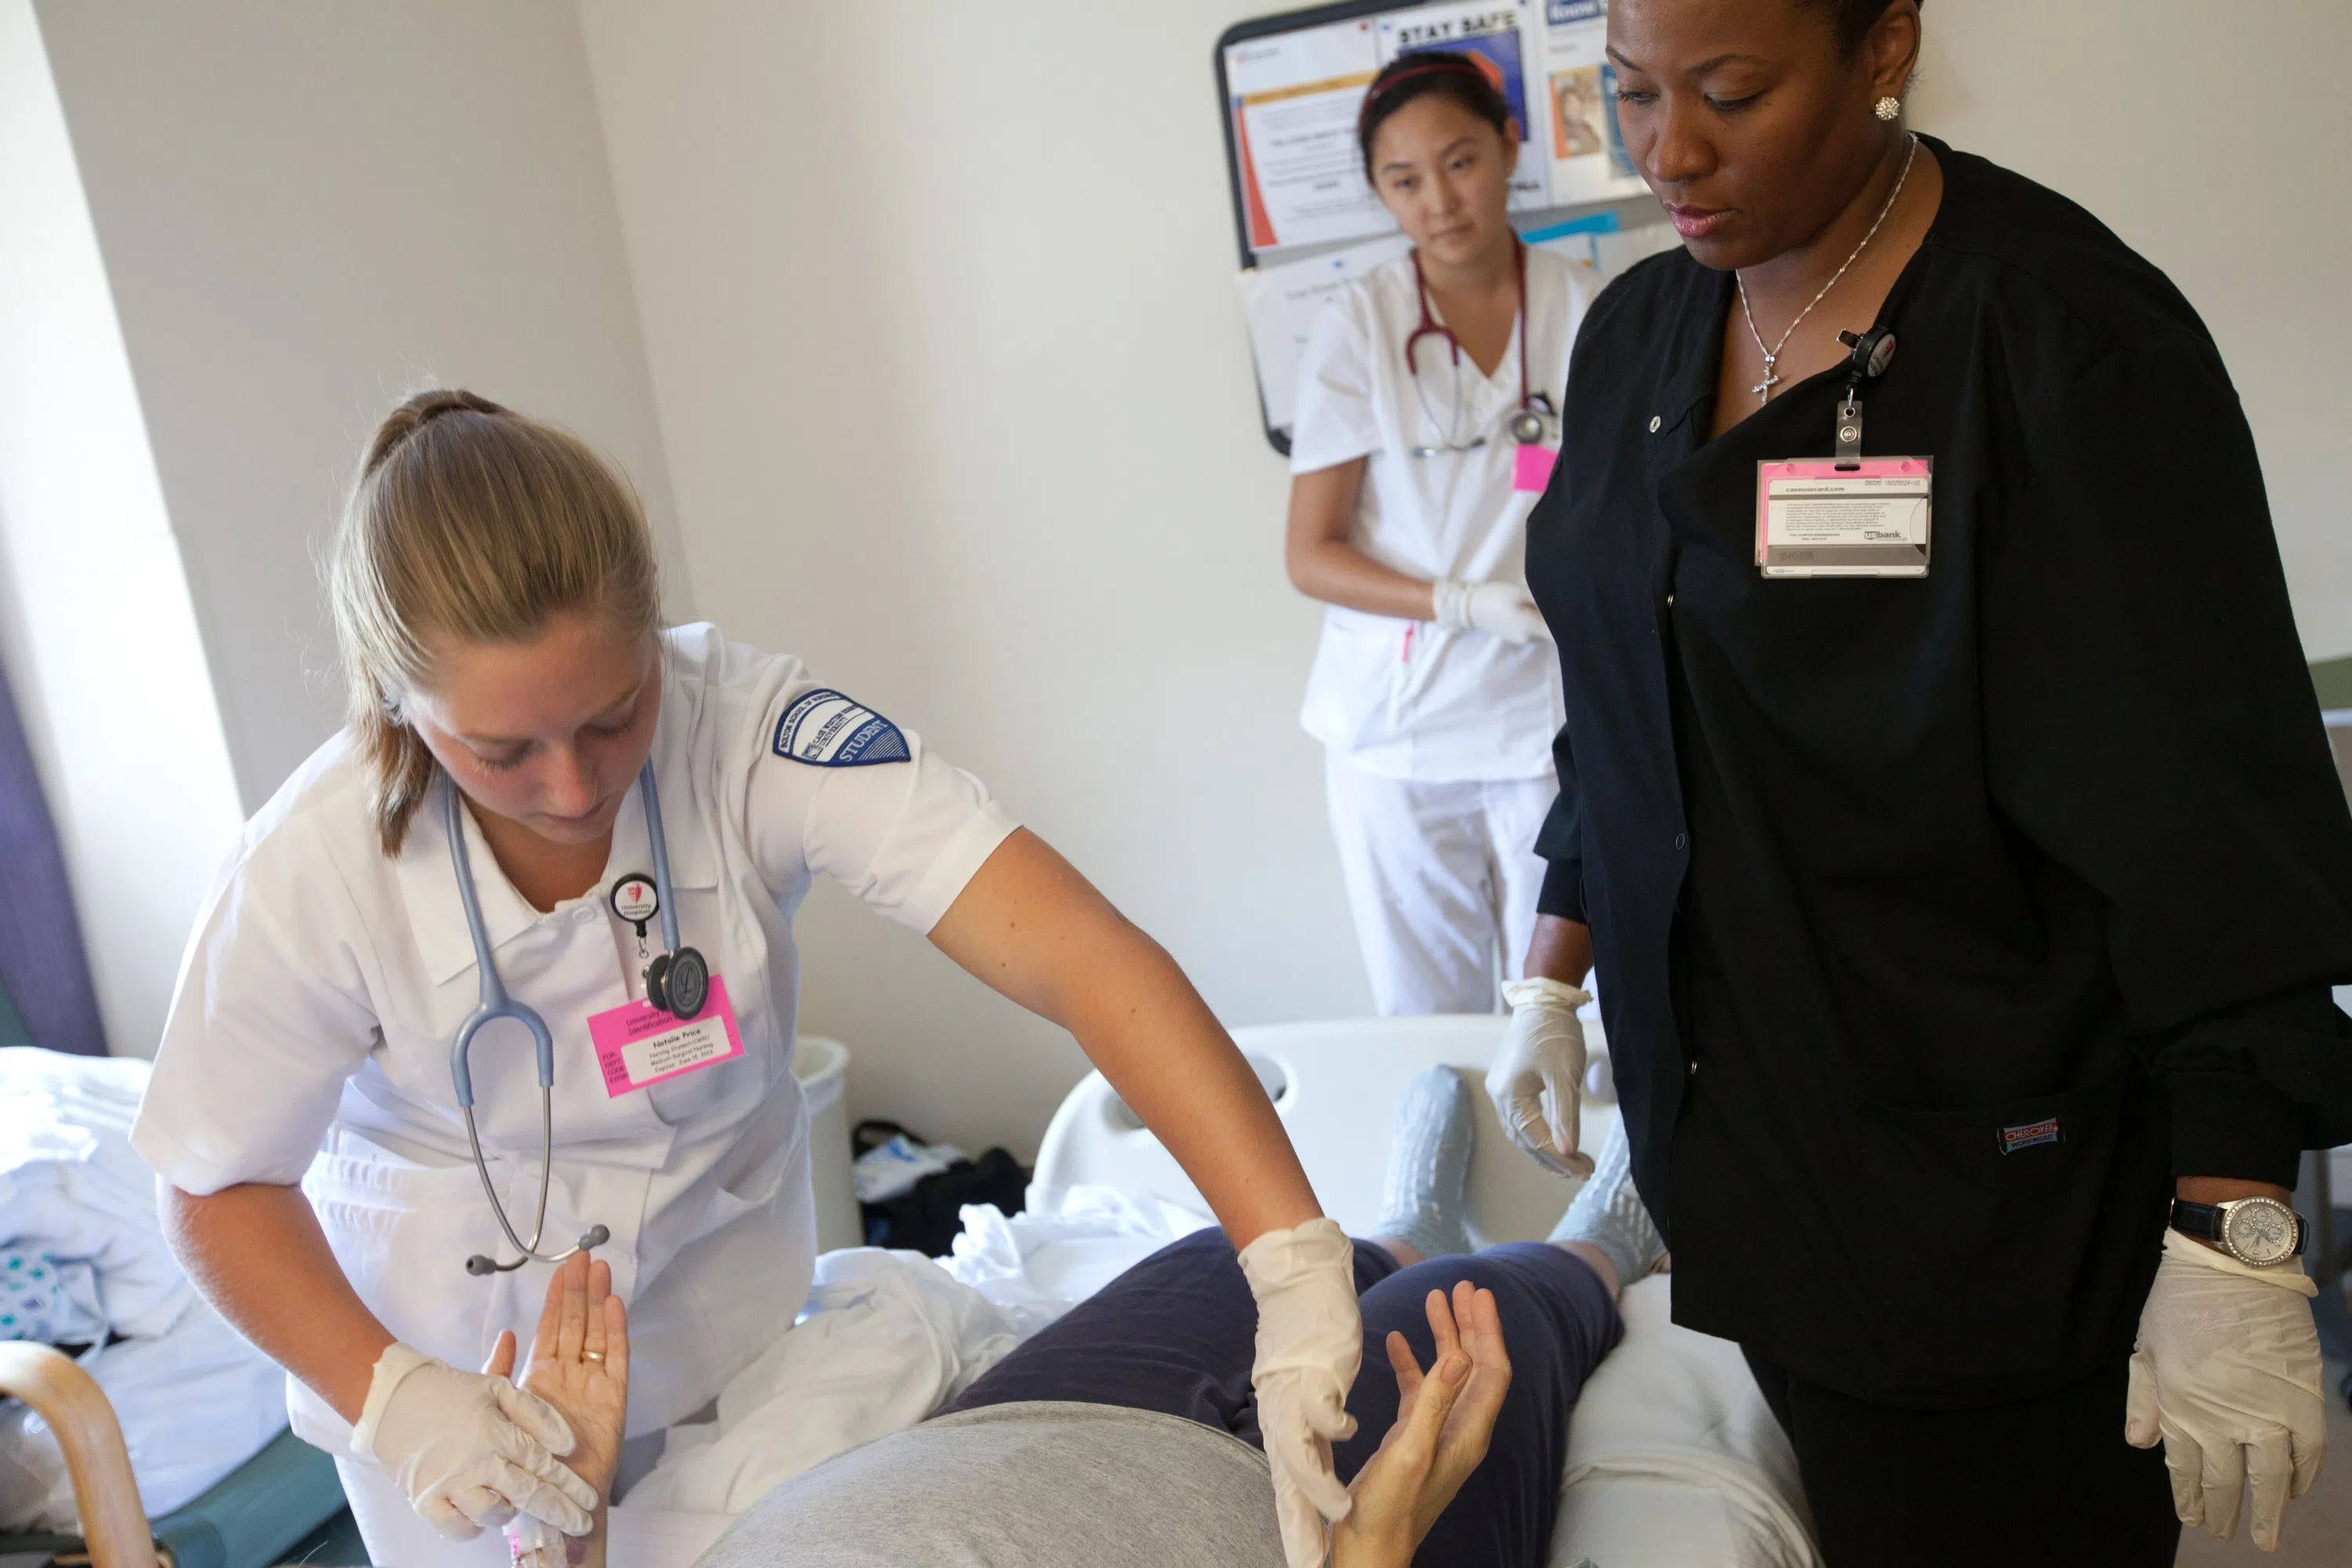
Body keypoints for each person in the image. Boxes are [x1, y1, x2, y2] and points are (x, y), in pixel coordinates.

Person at [130, 390, 1363, 1567]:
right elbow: (211, 1183)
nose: (572, 790)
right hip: (464, 1416)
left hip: (740, 1358)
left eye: (616, 716)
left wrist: (1296, 1269)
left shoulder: (754, 731)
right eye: (501, 752)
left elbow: (1083, 959)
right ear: (398, 703)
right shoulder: (309, 871)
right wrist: (391, 1396)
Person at [1485, 0, 2352, 1562]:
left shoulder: (2063, 337)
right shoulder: (1638, 339)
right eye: (1629, 94)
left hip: (1993, 1200)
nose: (1668, 150)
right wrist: (1556, 965)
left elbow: (2218, 814)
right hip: (1753, 1161)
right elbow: (1623, 680)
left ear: (1885, 44)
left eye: (1732, 94)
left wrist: (2237, 1222)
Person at [499, 1069, 1663, 1568]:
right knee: (1483, 1319)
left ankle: (1408, 1221)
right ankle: (1603, 1246)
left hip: (994, 1449)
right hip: (1276, 1545)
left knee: (1236, 1267)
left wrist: (571, 1532)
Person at [1285, 53, 1601, 1020]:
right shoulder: (1359, 324)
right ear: (1380, 191)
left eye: (1460, 162)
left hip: (1542, 723)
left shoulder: (1588, 304)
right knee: (1429, 1020)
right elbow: (1311, 552)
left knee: (1568, 1014)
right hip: (1396, 731)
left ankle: (1581, 1178)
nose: (1439, 201)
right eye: (1404, 180)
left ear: (1510, 145)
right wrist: (1459, 602)